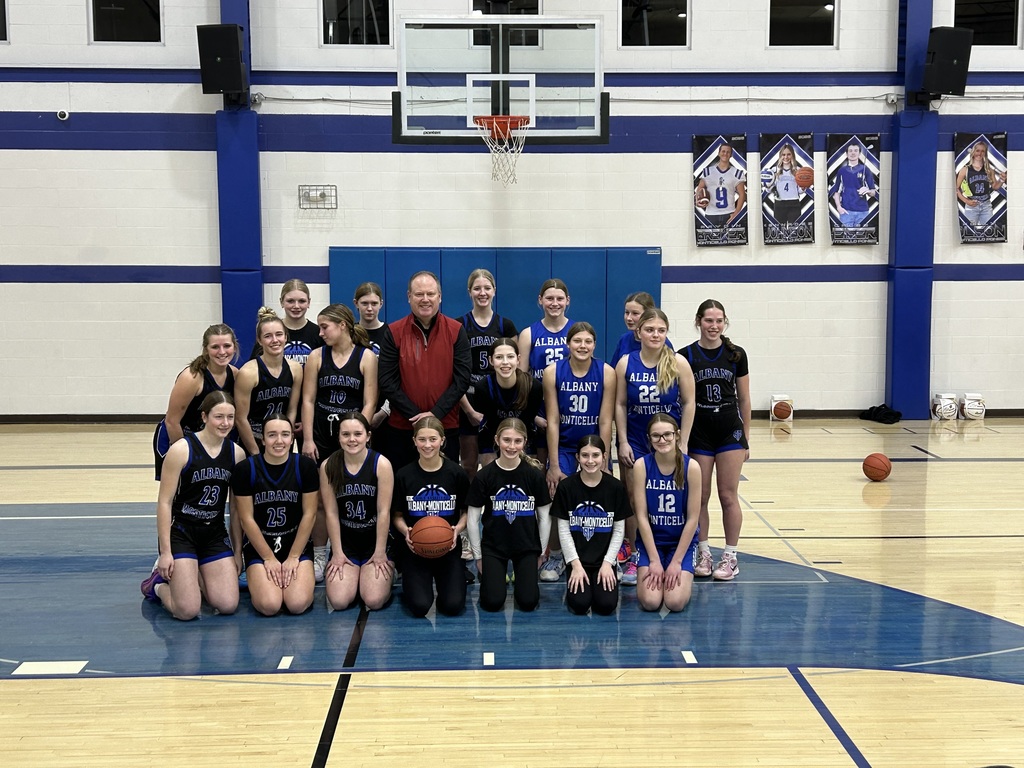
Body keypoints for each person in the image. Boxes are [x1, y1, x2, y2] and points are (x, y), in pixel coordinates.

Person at [141, 391, 247, 620]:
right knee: (187, 611)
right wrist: (166, 552)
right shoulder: (181, 450)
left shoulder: (236, 454)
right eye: (219, 416)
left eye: (230, 417)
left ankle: (195, 572)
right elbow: (164, 502)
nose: (225, 423)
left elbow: (236, 509)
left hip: (214, 534)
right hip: (182, 532)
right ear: (204, 417)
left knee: (227, 604)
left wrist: (238, 552)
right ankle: (157, 586)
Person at [614, 307, 695, 585]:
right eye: (649, 330)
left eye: (661, 330)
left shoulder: (678, 362)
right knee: (634, 499)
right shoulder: (626, 363)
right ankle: (636, 554)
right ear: (639, 332)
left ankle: (677, 552)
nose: (655, 335)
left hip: (668, 441)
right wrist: (622, 440)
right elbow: (620, 404)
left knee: (671, 496)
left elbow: (689, 403)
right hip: (637, 440)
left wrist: (683, 441)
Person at [300, 303, 378, 583]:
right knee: (321, 500)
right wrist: (307, 439)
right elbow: (308, 399)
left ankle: (358, 548)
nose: (320, 333)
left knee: (357, 495)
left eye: (325, 327)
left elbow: (370, 402)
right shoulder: (316, 356)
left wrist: (358, 435)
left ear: (342, 325)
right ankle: (321, 553)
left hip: (352, 439)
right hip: (322, 437)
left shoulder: (366, 357)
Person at [682, 299, 751, 581]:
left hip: (729, 431)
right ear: (698, 321)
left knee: (728, 495)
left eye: (719, 321)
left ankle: (730, 556)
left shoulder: (736, 354)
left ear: (725, 323)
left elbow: (744, 399)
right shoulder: (685, 355)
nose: (714, 326)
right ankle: (704, 552)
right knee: (700, 496)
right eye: (709, 320)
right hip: (700, 432)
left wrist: (746, 437)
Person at [541, 321, 615, 583]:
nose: (583, 346)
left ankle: (606, 557)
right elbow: (553, 420)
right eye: (577, 341)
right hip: (564, 446)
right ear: (568, 343)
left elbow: (605, 420)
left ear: (594, 345)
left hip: (593, 447)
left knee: (602, 501)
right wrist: (553, 465)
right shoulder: (553, 372)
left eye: (588, 341)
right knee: (556, 498)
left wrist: (604, 460)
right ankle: (557, 555)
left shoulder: (606, 372)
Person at [378, 271, 472, 469]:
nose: (425, 299)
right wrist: (416, 416)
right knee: (402, 484)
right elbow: (387, 381)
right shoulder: (393, 332)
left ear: (440, 296)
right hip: (403, 427)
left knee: (444, 484)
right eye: (419, 294)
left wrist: (435, 414)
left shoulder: (456, 330)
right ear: (409, 296)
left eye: (430, 294)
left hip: (445, 426)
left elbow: (462, 379)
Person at [231, 414, 318, 616]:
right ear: (262, 439)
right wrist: (268, 557)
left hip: (295, 543)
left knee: (297, 604)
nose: (279, 441)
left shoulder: (305, 467)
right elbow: (246, 519)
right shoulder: (246, 469)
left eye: (285, 434)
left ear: (292, 438)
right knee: (269, 605)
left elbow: (310, 514)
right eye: (272, 435)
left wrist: (294, 556)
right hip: (260, 545)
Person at [466, 418, 551, 612]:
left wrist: (540, 552)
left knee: (528, 602)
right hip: (494, 547)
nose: (512, 446)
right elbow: (472, 519)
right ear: (497, 440)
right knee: (492, 602)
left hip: (526, 546)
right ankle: (493, 575)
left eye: (517, 441)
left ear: (525, 442)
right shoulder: (484, 475)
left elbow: (545, 517)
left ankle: (518, 575)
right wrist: (478, 556)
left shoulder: (534, 475)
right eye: (506, 440)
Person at [391, 416, 470, 618]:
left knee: (453, 606)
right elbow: (397, 516)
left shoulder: (457, 473)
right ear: (414, 441)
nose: (427, 445)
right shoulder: (403, 475)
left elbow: (466, 512)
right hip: (416, 549)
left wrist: (457, 530)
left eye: (433, 439)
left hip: (448, 547)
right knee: (419, 607)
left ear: (442, 440)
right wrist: (406, 532)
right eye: (422, 439)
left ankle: (453, 578)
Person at [321, 411, 395, 611]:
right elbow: (331, 513)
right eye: (345, 434)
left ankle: (390, 570)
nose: (352, 439)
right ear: (338, 437)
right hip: (347, 543)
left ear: (368, 436)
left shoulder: (381, 464)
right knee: (339, 601)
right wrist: (337, 553)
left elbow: (384, 512)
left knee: (374, 600)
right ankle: (356, 575)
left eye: (357, 434)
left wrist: (380, 552)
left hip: (374, 542)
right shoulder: (329, 466)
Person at [552, 435, 632, 616]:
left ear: (604, 456)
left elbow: (619, 530)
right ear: (577, 457)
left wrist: (608, 563)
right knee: (579, 605)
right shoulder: (566, 487)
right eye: (585, 455)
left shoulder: (615, 487)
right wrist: (575, 564)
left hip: (604, 560)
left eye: (595, 455)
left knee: (606, 605)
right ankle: (573, 574)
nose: (590, 461)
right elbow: (563, 531)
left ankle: (610, 571)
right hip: (577, 560)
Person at [633, 414, 702, 613]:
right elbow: (641, 517)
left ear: (677, 435)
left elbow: (693, 519)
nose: (662, 440)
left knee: (675, 602)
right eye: (656, 436)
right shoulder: (641, 466)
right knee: (650, 602)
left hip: (681, 544)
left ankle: (683, 575)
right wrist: (654, 560)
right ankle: (658, 566)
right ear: (649, 439)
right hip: (651, 543)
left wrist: (677, 562)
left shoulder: (692, 467)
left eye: (667, 435)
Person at [153, 323, 238, 481]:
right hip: (177, 436)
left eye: (227, 346)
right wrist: (184, 453)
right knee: (179, 489)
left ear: (234, 347)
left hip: (207, 439)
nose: (222, 352)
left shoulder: (235, 374)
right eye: (215, 347)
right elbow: (172, 421)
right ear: (206, 349)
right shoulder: (192, 377)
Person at [458, 268, 518, 480]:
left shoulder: (505, 325)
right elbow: (453, 374)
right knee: (468, 464)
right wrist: (468, 411)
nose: (482, 293)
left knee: (497, 462)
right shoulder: (460, 325)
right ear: (469, 292)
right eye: (477, 288)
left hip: (496, 400)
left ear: (494, 291)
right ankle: (470, 502)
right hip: (468, 400)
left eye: (487, 288)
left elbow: (515, 368)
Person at [234, 308, 303, 457]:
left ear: (286, 337)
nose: (275, 340)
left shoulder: (296, 369)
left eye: (279, 334)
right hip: (255, 439)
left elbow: (292, 410)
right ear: (259, 340)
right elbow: (240, 418)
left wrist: (287, 437)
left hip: (281, 441)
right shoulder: (248, 373)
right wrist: (255, 453)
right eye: (268, 336)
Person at [467, 337, 544, 467]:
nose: (505, 362)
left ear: (518, 359)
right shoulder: (482, 387)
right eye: (499, 357)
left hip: (524, 435)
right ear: (491, 360)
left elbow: (529, 420)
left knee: (528, 471)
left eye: (510, 357)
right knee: (492, 472)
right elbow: (487, 421)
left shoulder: (533, 387)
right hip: (492, 435)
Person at [353, 281, 394, 454]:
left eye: (374, 303)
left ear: (381, 304)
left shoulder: (391, 333)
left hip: (385, 411)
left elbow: (398, 376)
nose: (369, 308)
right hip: (355, 407)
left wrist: (384, 412)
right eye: (364, 303)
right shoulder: (349, 334)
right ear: (356, 303)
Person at [249, 279, 323, 366]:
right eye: (290, 301)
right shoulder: (271, 331)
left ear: (309, 302)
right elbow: (253, 366)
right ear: (281, 302)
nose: (296, 306)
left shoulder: (319, 333)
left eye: (302, 301)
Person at [695, 143, 747, 228]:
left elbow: (742, 194)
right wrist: (698, 200)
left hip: (729, 213)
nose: (725, 154)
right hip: (711, 213)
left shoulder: (736, 173)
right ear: (718, 153)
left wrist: (736, 212)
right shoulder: (708, 172)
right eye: (723, 151)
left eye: (728, 152)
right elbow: (700, 188)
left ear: (731, 155)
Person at [956, 140, 1006, 229]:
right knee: (969, 232)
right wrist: (966, 201)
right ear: (973, 152)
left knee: (989, 232)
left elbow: (995, 187)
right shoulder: (965, 170)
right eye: (977, 150)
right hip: (971, 205)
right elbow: (956, 189)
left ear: (985, 153)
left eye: (983, 151)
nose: (979, 153)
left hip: (986, 206)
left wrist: (1002, 179)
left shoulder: (989, 169)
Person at [830, 140, 877, 228]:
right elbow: (837, 192)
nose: (853, 153)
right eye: (850, 151)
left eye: (855, 151)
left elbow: (873, 193)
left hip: (862, 212)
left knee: (862, 236)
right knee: (846, 236)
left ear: (859, 154)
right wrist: (839, 207)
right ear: (846, 154)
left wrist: (867, 191)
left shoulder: (865, 170)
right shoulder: (842, 171)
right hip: (846, 211)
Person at [768, 143, 802, 225]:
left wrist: (804, 187)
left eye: (788, 154)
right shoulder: (774, 170)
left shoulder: (798, 170)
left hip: (794, 203)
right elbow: (769, 189)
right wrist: (768, 186)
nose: (786, 157)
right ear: (780, 156)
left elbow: (799, 191)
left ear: (793, 155)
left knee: (794, 230)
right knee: (779, 230)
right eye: (783, 155)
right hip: (779, 203)